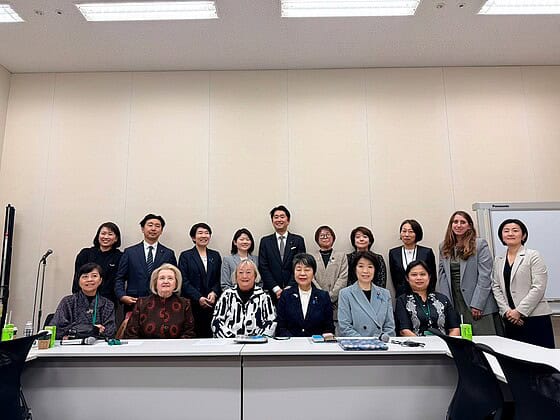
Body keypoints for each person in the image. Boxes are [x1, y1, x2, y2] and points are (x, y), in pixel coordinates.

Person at [492, 219, 555, 348]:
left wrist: (519, 311)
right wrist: (507, 311)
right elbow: (495, 286)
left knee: (540, 356)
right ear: (501, 236)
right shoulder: (498, 259)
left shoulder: (533, 255)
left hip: (535, 317)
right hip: (510, 319)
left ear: (523, 235)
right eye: (506, 231)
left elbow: (538, 287)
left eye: (515, 230)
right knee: (515, 356)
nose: (510, 233)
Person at [437, 211, 500, 335]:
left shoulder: (479, 244)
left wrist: (478, 304)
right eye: (455, 222)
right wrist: (446, 304)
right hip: (455, 300)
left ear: (469, 225)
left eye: (463, 222)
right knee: (461, 341)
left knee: (483, 340)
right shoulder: (443, 246)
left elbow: (485, 276)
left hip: (477, 302)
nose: (458, 225)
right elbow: (442, 275)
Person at [115, 214, 177, 313]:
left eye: (157, 226)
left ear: (161, 231)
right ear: (142, 229)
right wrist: (122, 296)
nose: (153, 228)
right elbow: (120, 278)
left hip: (161, 303)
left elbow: (174, 279)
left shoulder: (168, 254)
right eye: (150, 225)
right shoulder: (130, 252)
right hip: (134, 302)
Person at [123, 264, 195, 339]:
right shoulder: (141, 303)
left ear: (176, 283)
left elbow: (189, 333)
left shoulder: (185, 304)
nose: (166, 281)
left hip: (177, 346)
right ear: (155, 283)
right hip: (147, 346)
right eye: (162, 278)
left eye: (170, 278)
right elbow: (131, 334)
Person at [395, 260, 460, 337]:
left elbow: (455, 328)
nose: (419, 278)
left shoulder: (443, 299)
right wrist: (422, 343)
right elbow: (404, 331)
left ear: (429, 277)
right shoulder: (402, 300)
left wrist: (449, 342)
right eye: (414, 275)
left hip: (443, 343)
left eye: (423, 274)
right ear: (407, 278)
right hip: (415, 343)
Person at [179, 222, 222, 338]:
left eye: (207, 233)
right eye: (200, 233)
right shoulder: (186, 256)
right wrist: (198, 297)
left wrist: (214, 292)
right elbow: (184, 281)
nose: (204, 236)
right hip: (192, 305)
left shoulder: (215, 255)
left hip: (212, 304)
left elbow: (220, 278)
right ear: (193, 237)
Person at [212, 260, 275, 338]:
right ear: (236, 276)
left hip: (256, 343)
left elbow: (271, 323)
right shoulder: (226, 296)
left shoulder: (264, 297)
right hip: (229, 342)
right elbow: (216, 322)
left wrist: (256, 339)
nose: (244, 276)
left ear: (255, 276)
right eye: (241, 272)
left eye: (248, 272)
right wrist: (232, 339)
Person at [276, 253, 334, 337]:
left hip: (316, 343)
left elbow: (329, 328)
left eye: (307, 270)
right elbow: (281, 327)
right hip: (290, 343)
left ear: (313, 273)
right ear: (294, 272)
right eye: (298, 269)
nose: (302, 273)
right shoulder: (286, 295)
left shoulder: (323, 296)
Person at [338, 251, 395, 337]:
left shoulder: (385, 294)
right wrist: (364, 342)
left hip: (380, 343)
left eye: (370, 267)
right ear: (355, 269)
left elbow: (390, 327)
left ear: (375, 270)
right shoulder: (345, 294)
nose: (365, 271)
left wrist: (381, 339)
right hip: (355, 343)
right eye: (361, 266)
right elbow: (344, 327)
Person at [53, 263, 116, 340]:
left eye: (94, 276)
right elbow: (57, 329)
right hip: (71, 345)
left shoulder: (108, 304)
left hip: (98, 346)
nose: (89, 279)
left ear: (100, 280)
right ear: (79, 281)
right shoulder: (68, 302)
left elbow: (110, 332)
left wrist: (75, 330)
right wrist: (93, 329)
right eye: (85, 276)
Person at [258, 205, 306, 301]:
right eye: (276, 217)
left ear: (288, 220)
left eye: (282, 217)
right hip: (271, 291)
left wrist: (289, 287)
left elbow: (301, 265)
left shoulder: (298, 240)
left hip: (294, 290)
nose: (279, 220)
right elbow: (263, 267)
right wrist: (276, 288)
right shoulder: (265, 241)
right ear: (272, 221)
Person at [72, 222, 123, 306]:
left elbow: (118, 281)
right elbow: (77, 278)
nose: (106, 237)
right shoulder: (85, 254)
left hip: (108, 301)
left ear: (116, 238)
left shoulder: (120, 257)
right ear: (98, 236)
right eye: (103, 233)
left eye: (110, 234)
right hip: (83, 299)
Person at [389, 219, 437, 298]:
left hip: (424, 294)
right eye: (404, 231)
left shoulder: (427, 252)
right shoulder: (394, 253)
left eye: (411, 231)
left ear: (417, 234)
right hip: (402, 295)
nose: (407, 235)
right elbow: (394, 278)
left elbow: (432, 277)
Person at [310, 225, 348, 323]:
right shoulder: (311, 257)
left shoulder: (341, 256)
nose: (325, 237)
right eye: (322, 235)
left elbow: (343, 278)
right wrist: (322, 295)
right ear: (317, 239)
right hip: (317, 300)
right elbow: (311, 278)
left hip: (337, 302)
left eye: (328, 235)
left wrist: (331, 296)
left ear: (333, 237)